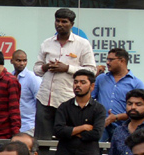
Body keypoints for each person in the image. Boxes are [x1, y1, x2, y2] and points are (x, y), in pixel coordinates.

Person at [34, 7, 97, 142]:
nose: (60, 24)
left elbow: (92, 70)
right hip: (45, 99)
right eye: (57, 21)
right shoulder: (47, 43)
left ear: (72, 24)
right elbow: (36, 69)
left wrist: (67, 68)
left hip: (68, 99)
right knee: (41, 142)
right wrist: (46, 66)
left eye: (64, 22)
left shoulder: (82, 44)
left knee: (69, 139)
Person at [53, 68, 107, 155]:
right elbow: (58, 131)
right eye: (76, 82)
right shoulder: (64, 107)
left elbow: (96, 134)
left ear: (92, 86)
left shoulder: (98, 109)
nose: (78, 85)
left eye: (82, 82)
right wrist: (82, 128)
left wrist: (70, 131)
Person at [94, 47, 144, 135]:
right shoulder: (100, 78)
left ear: (122, 61)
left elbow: (141, 110)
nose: (107, 63)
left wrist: (116, 117)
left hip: (124, 127)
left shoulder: (136, 83)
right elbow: (88, 98)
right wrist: (92, 78)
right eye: (107, 59)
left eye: (111, 60)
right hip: (102, 126)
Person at [11, 48, 41, 135]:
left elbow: (39, 102)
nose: (22, 63)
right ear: (11, 61)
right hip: (14, 126)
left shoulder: (32, 77)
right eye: (18, 60)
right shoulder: (10, 77)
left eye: (24, 61)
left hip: (29, 125)